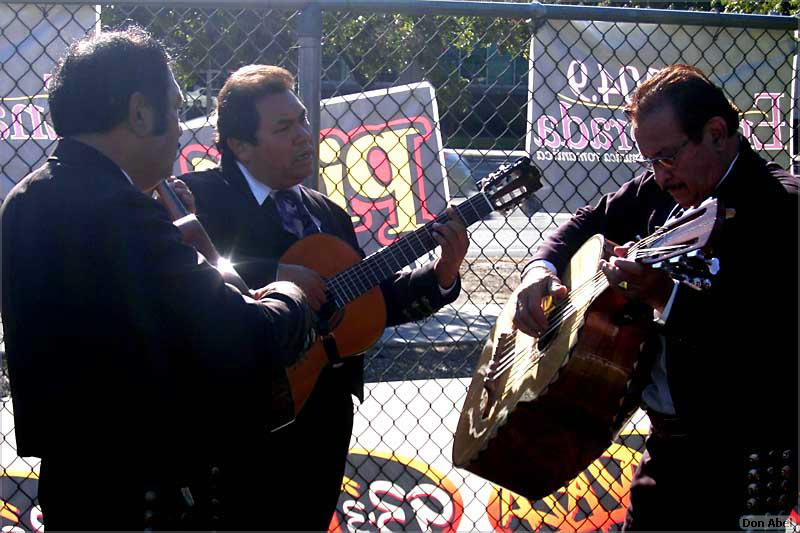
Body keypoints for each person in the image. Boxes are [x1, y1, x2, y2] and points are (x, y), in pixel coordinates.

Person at [0, 28, 316, 530]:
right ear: (140, 112)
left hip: (74, 482)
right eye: (173, 106)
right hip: (142, 496)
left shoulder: (26, 198)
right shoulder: (116, 209)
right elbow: (242, 333)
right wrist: (294, 297)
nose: (180, 129)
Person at [180, 64, 469, 530]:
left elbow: (363, 300)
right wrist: (275, 273)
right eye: (283, 127)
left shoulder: (327, 211)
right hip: (239, 417)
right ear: (239, 145)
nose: (303, 135)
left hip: (323, 416)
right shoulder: (198, 198)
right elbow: (183, 279)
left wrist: (440, 274)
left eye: (302, 121)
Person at [513, 64, 798, 530]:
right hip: (668, 450)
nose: (659, 175)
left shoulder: (781, 209)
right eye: (649, 161)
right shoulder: (668, 187)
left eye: (666, 157)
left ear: (717, 133)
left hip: (746, 461)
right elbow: (589, 220)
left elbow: (763, 339)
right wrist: (539, 269)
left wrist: (662, 294)